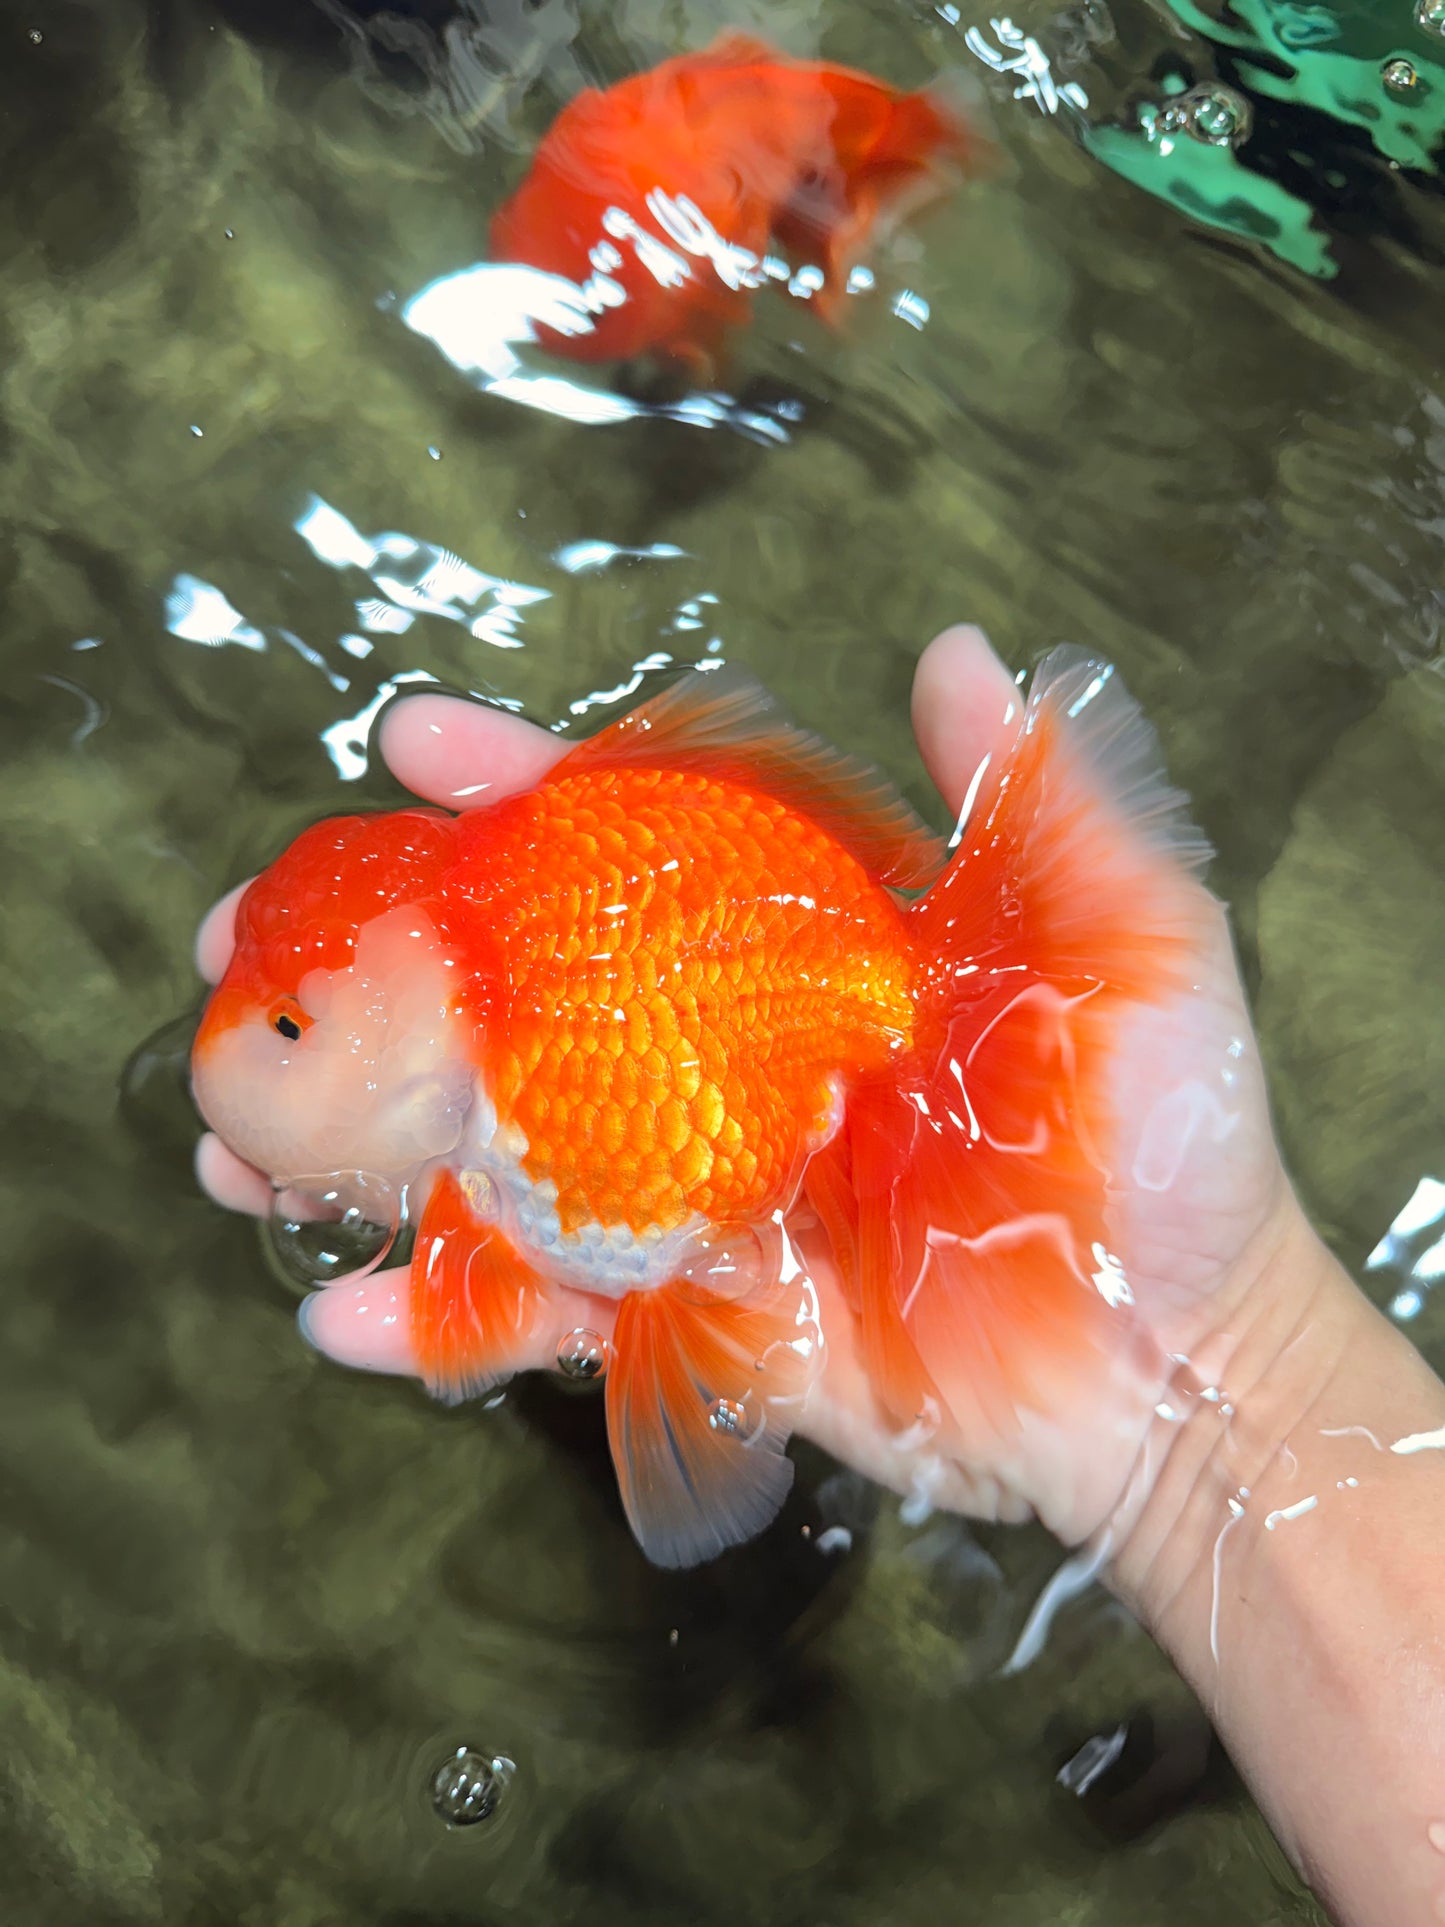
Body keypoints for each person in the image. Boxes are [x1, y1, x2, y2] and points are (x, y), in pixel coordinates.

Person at [193, 625, 1445, 1925]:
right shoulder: (459, 1060)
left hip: (777, 1065)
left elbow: (487, 1285)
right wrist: (1219, 1388)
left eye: (286, 1024)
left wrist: (1208, 1364)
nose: (254, 1044)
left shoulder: (511, 1064)